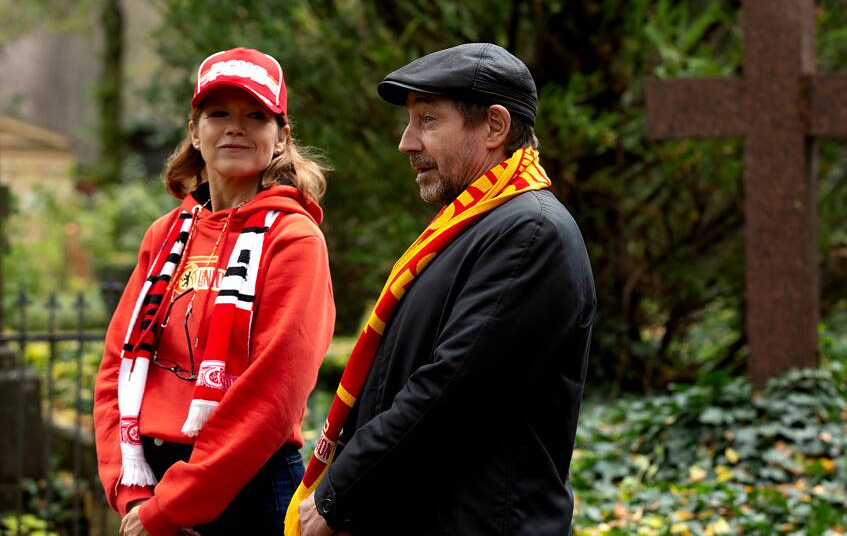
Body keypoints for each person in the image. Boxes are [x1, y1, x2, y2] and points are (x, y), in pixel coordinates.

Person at [290, 42, 595, 535]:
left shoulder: (529, 234)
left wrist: (338, 493)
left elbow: (449, 390)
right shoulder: (473, 228)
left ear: (495, 126)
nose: (406, 142)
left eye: (428, 120)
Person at [93, 47, 336, 535]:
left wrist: (173, 508)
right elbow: (117, 366)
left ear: (281, 136)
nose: (234, 127)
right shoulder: (165, 235)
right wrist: (133, 492)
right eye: (218, 113)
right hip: (152, 484)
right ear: (194, 130)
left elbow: (273, 395)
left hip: (249, 490)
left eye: (255, 115)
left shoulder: (294, 239)